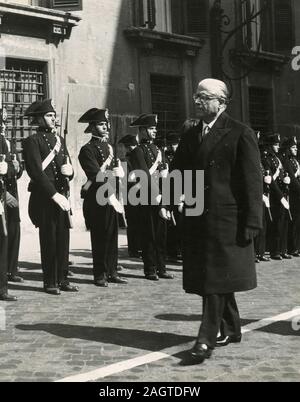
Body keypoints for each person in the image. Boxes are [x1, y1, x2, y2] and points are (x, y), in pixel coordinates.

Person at [170, 78, 263, 364]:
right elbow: (178, 170)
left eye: (204, 97)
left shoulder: (239, 133)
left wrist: (252, 222)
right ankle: (232, 328)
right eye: (196, 97)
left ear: (221, 102)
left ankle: (205, 339)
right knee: (211, 277)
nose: (197, 102)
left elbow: (252, 181)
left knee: (213, 281)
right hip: (198, 218)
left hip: (227, 220)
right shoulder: (191, 134)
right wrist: (172, 198)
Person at [23, 99, 78, 295]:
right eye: (48, 115)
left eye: (54, 115)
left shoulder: (59, 140)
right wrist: (54, 195)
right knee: (49, 240)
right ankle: (50, 281)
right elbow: (36, 172)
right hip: (45, 198)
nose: (53, 118)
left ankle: (63, 278)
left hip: (61, 195)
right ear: (38, 118)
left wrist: (70, 171)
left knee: (63, 239)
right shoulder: (32, 141)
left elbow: (68, 166)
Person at [78, 108, 127, 287]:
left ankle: (112, 271)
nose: (105, 127)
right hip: (98, 198)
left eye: (106, 124)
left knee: (113, 235)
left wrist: (118, 173)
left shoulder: (109, 148)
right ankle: (99, 274)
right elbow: (95, 175)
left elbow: (111, 174)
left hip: (112, 197)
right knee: (99, 236)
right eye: (100, 124)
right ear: (92, 127)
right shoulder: (87, 150)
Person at [128, 114, 174, 281]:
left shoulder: (158, 150)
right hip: (146, 198)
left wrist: (165, 199)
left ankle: (162, 268)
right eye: (151, 128)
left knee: (161, 235)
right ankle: (150, 269)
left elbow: (165, 176)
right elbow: (143, 176)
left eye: (155, 128)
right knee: (149, 234)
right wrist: (156, 194)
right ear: (142, 130)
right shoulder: (137, 152)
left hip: (160, 198)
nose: (155, 131)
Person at [0, 108, 24, 283]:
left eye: (5, 122)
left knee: (14, 228)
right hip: (2, 193)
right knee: (3, 231)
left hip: (12, 190)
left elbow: (16, 171)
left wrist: (18, 167)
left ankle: (11, 269)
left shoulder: (9, 142)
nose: (3, 125)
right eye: (1, 121)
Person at [260, 133, 291, 260]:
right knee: (276, 224)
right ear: (270, 146)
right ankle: (275, 250)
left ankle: (282, 249)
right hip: (273, 195)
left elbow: (282, 174)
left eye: (278, 145)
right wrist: (280, 196)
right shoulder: (266, 159)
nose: (278, 147)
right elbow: (270, 180)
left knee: (283, 223)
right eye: (275, 145)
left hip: (281, 192)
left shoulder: (277, 158)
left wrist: (285, 180)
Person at [0, 108, 18, 301]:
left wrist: (10, 168)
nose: (2, 127)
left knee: (3, 239)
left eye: (3, 123)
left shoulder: (3, 143)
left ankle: (2, 287)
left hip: (1, 197)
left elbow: (10, 169)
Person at [118, 134, 141, 258]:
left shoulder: (126, 160)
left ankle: (135, 248)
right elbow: (126, 179)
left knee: (134, 222)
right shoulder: (124, 161)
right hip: (131, 193)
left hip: (133, 193)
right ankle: (134, 249)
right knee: (133, 222)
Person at [281, 136, 300, 257]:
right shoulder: (287, 162)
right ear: (288, 149)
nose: (296, 149)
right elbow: (293, 180)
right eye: (293, 147)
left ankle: (297, 246)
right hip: (294, 194)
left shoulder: (296, 161)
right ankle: (292, 247)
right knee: (293, 221)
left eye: (296, 147)